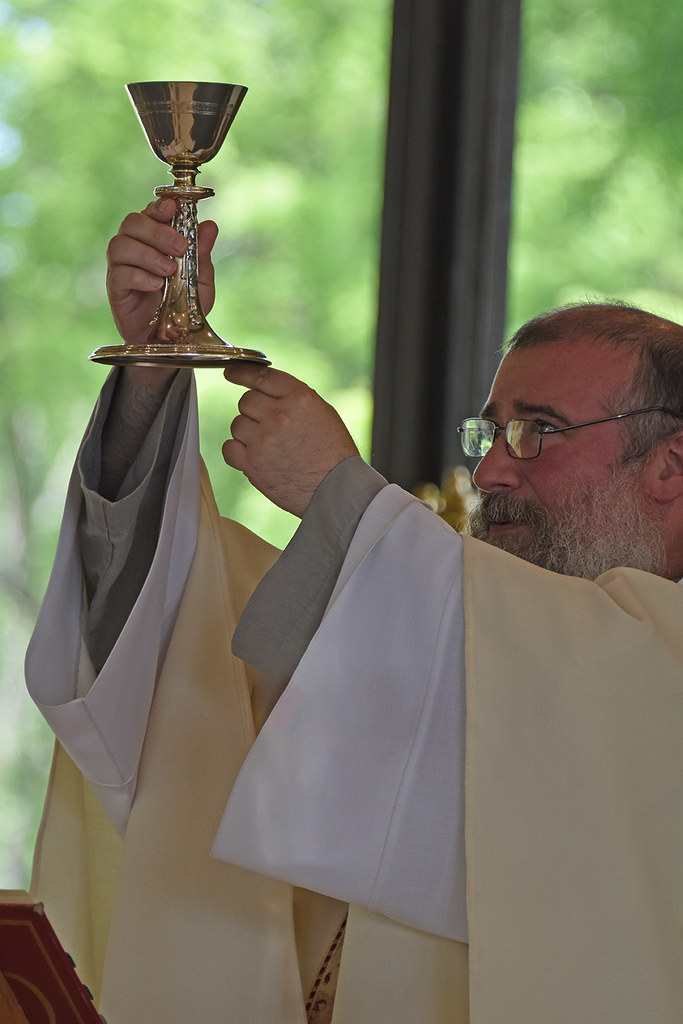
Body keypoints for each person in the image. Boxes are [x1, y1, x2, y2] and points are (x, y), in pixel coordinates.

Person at [25, 198, 683, 1024]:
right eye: (489, 435)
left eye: (539, 433)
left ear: (671, 463)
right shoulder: (426, 618)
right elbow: (181, 644)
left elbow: (580, 692)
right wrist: (152, 378)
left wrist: (339, 496)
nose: (489, 477)